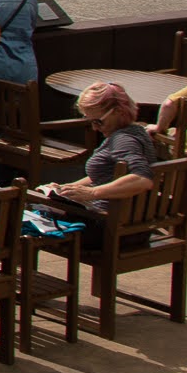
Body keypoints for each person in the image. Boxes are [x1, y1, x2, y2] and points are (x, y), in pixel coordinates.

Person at [54, 81, 156, 251]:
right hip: (127, 227)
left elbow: (142, 179)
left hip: (109, 230)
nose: (94, 128)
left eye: (98, 121)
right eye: (90, 121)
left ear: (118, 111)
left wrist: (92, 193)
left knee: (30, 215)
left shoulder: (123, 140)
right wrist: (67, 188)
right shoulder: (135, 131)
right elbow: (103, 176)